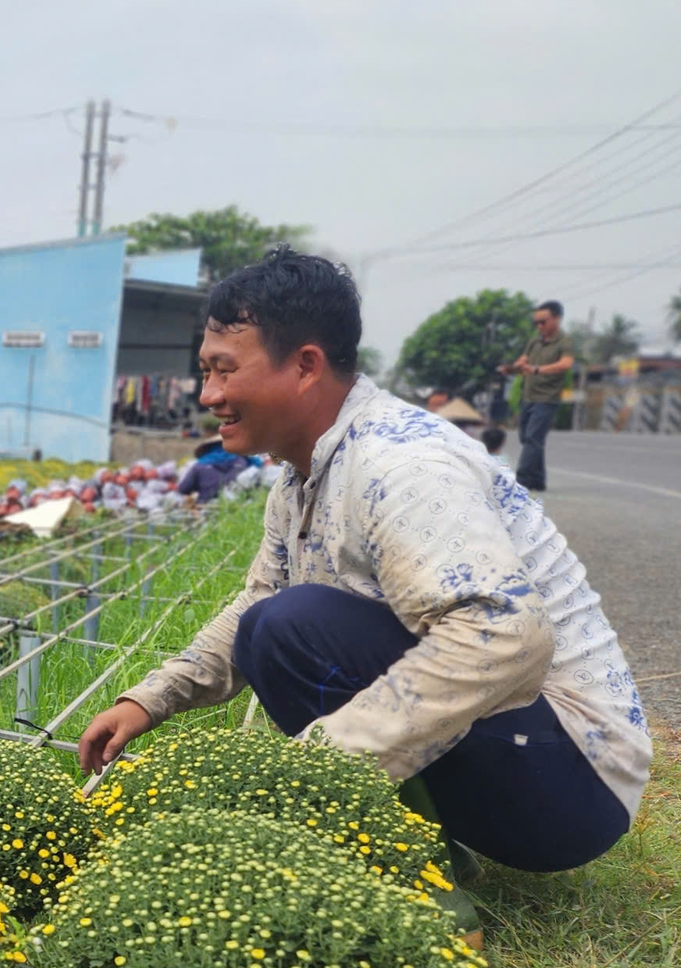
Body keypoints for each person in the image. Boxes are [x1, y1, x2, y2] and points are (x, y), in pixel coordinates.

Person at [78, 250, 647, 874]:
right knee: (271, 626)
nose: (209, 394)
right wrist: (149, 701)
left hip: (573, 779)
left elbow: (506, 636)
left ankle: (414, 874)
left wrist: (314, 773)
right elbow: (255, 605)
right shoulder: (301, 477)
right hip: (521, 750)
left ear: (305, 366)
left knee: (292, 626)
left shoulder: (400, 465)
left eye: (222, 371)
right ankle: (419, 841)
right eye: (205, 373)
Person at [498, 299, 574, 493]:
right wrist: (511, 369)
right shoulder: (534, 341)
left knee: (533, 438)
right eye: (536, 323)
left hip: (547, 398)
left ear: (557, 319)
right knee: (527, 438)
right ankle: (538, 480)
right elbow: (523, 361)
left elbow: (566, 364)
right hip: (528, 396)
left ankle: (522, 480)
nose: (539, 326)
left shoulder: (564, 342)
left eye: (543, 322)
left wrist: (538, 369)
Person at [175, 437, 245, 503]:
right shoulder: (242, 461)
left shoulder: (199, 465)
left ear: (208, 449)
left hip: (204, 504)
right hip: (235, 505)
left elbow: (183, 489)